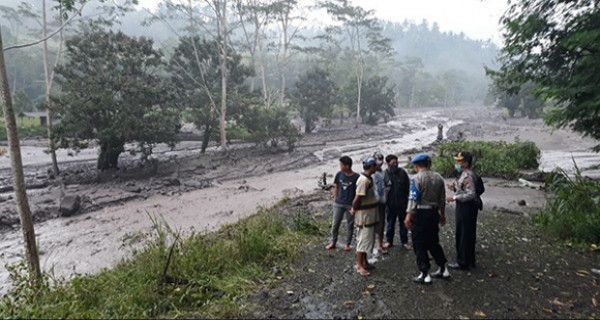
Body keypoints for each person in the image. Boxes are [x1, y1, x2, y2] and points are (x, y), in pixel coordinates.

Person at [404, 153, 450, 284]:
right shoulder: (438, 178)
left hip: (420, 214)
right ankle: (443, 268)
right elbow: (442, 199)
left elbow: (413, 199)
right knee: (433, 242)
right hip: (434, 213)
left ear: (416, 165)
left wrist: (408, 215)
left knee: (419, 243)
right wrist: (442, 214)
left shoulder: (416, 178)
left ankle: (425, 274)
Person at [447, 151, 479, 270]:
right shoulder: (463, 174)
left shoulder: (468, 175)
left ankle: (463, 262)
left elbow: (471, 194)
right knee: (467, 234)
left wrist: (454, 197)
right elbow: (464, 189)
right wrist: (454, 188)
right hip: (465, 207)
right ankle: (469, 260)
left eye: (459, 161)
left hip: (466, 208)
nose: (457, 163)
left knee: (464, 234)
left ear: (466, 163)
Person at [351, 157, 380, 276]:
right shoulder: (364, 181)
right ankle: (359, 265)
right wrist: (354, 209)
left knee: (367, 240)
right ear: (371, 167)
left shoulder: (369, 179)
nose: (377, 167)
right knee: (363, 241)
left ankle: (365, 262)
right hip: (365, 217)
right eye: (375, 166)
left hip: (370, 215)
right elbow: (357, 199)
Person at [326, 156, 360, 251]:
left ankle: (348, 244)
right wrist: (335, 197)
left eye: (341, 165)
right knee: (335, 224)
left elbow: (358, 192)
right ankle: (333, 242)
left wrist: (355, 205)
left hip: (350, 204)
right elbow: (336, 186)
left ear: (347, 166)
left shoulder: (356, 177)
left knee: (350, 225)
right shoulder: (339, 174)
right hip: (339, 203)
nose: (340, 166)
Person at [383, 154, 411, 250]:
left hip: (403, 203)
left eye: (396, 162)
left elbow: (408, 187)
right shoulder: (385, 174)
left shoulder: (402, 172)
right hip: (390, 205)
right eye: (393, 163)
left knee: (403, 224)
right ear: (388, 163)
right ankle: (389, 241)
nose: (395, 164)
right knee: (390, 224)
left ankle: (405, 242)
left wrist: (409, 202)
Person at [372, 152, 387, 254]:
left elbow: (386, 186)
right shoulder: (370, 172)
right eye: (378, 160)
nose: (380, 162)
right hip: (372, 203)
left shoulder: (383, 172)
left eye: (381, 160)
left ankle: (380, 244)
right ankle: (373, 244)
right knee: (372, 224)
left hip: (382, 201)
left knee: (381, 223)